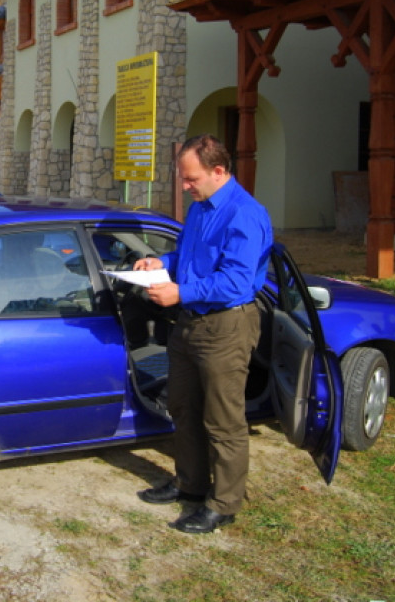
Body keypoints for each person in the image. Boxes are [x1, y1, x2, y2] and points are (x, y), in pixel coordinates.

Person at [133, 134, 273, 534]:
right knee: (183, 407)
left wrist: (181, 292)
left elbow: (237, 282)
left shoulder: (245, 214)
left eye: (191, 178)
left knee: (222, 419)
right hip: (190, 322)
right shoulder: (198, 208)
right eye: (183, 177)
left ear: (219, 171)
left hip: (225, 326)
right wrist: (164, 261)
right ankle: (190, 484)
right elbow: (191, 256)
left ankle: (224, 502)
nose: (185, 186)